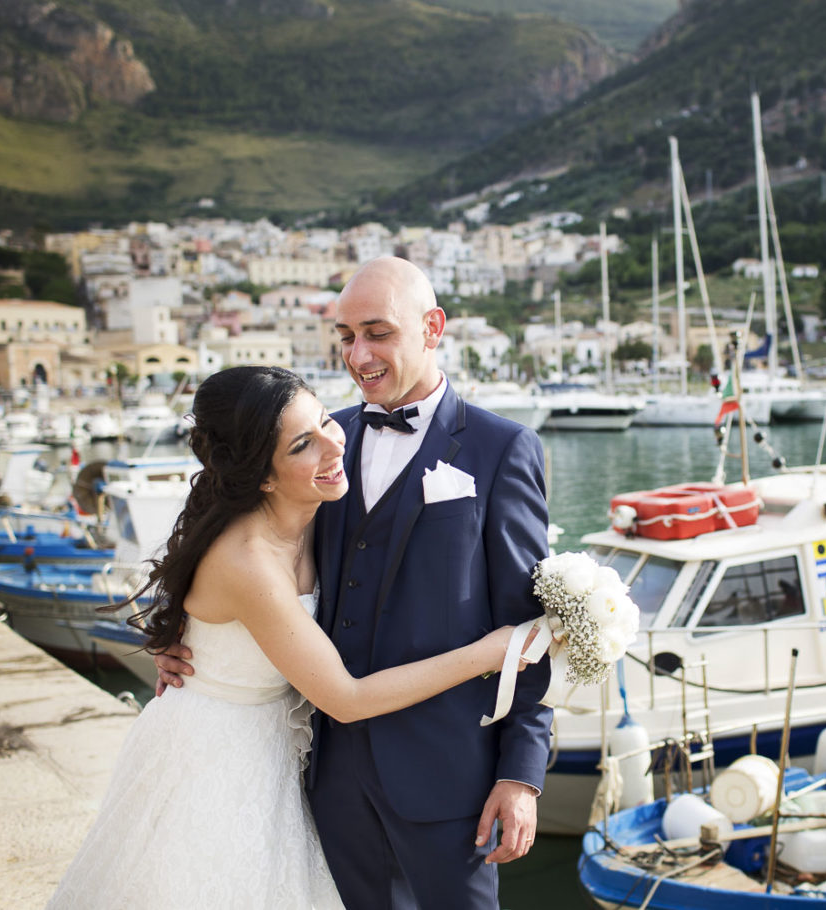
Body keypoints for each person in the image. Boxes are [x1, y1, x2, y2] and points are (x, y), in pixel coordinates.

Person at [48, 366, 525, 909]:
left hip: (281, 751)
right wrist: (492, 651)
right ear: (263, 477)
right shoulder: (249, 560)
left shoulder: (311, 508)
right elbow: (346, 699)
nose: (333, 444)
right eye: (304, 443)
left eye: (325, 420)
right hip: (217, 759)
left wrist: (177, 628)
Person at [157, 257, 552, 909]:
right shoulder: (315, 441)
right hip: (328, 776)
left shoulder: (501, 449)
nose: (358, 354)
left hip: (452, 780)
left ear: (432, 328)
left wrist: (521, 776)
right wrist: (180, 636)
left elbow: (529, 629)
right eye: (344, 336)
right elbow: (234, 543)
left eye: (377, 332)